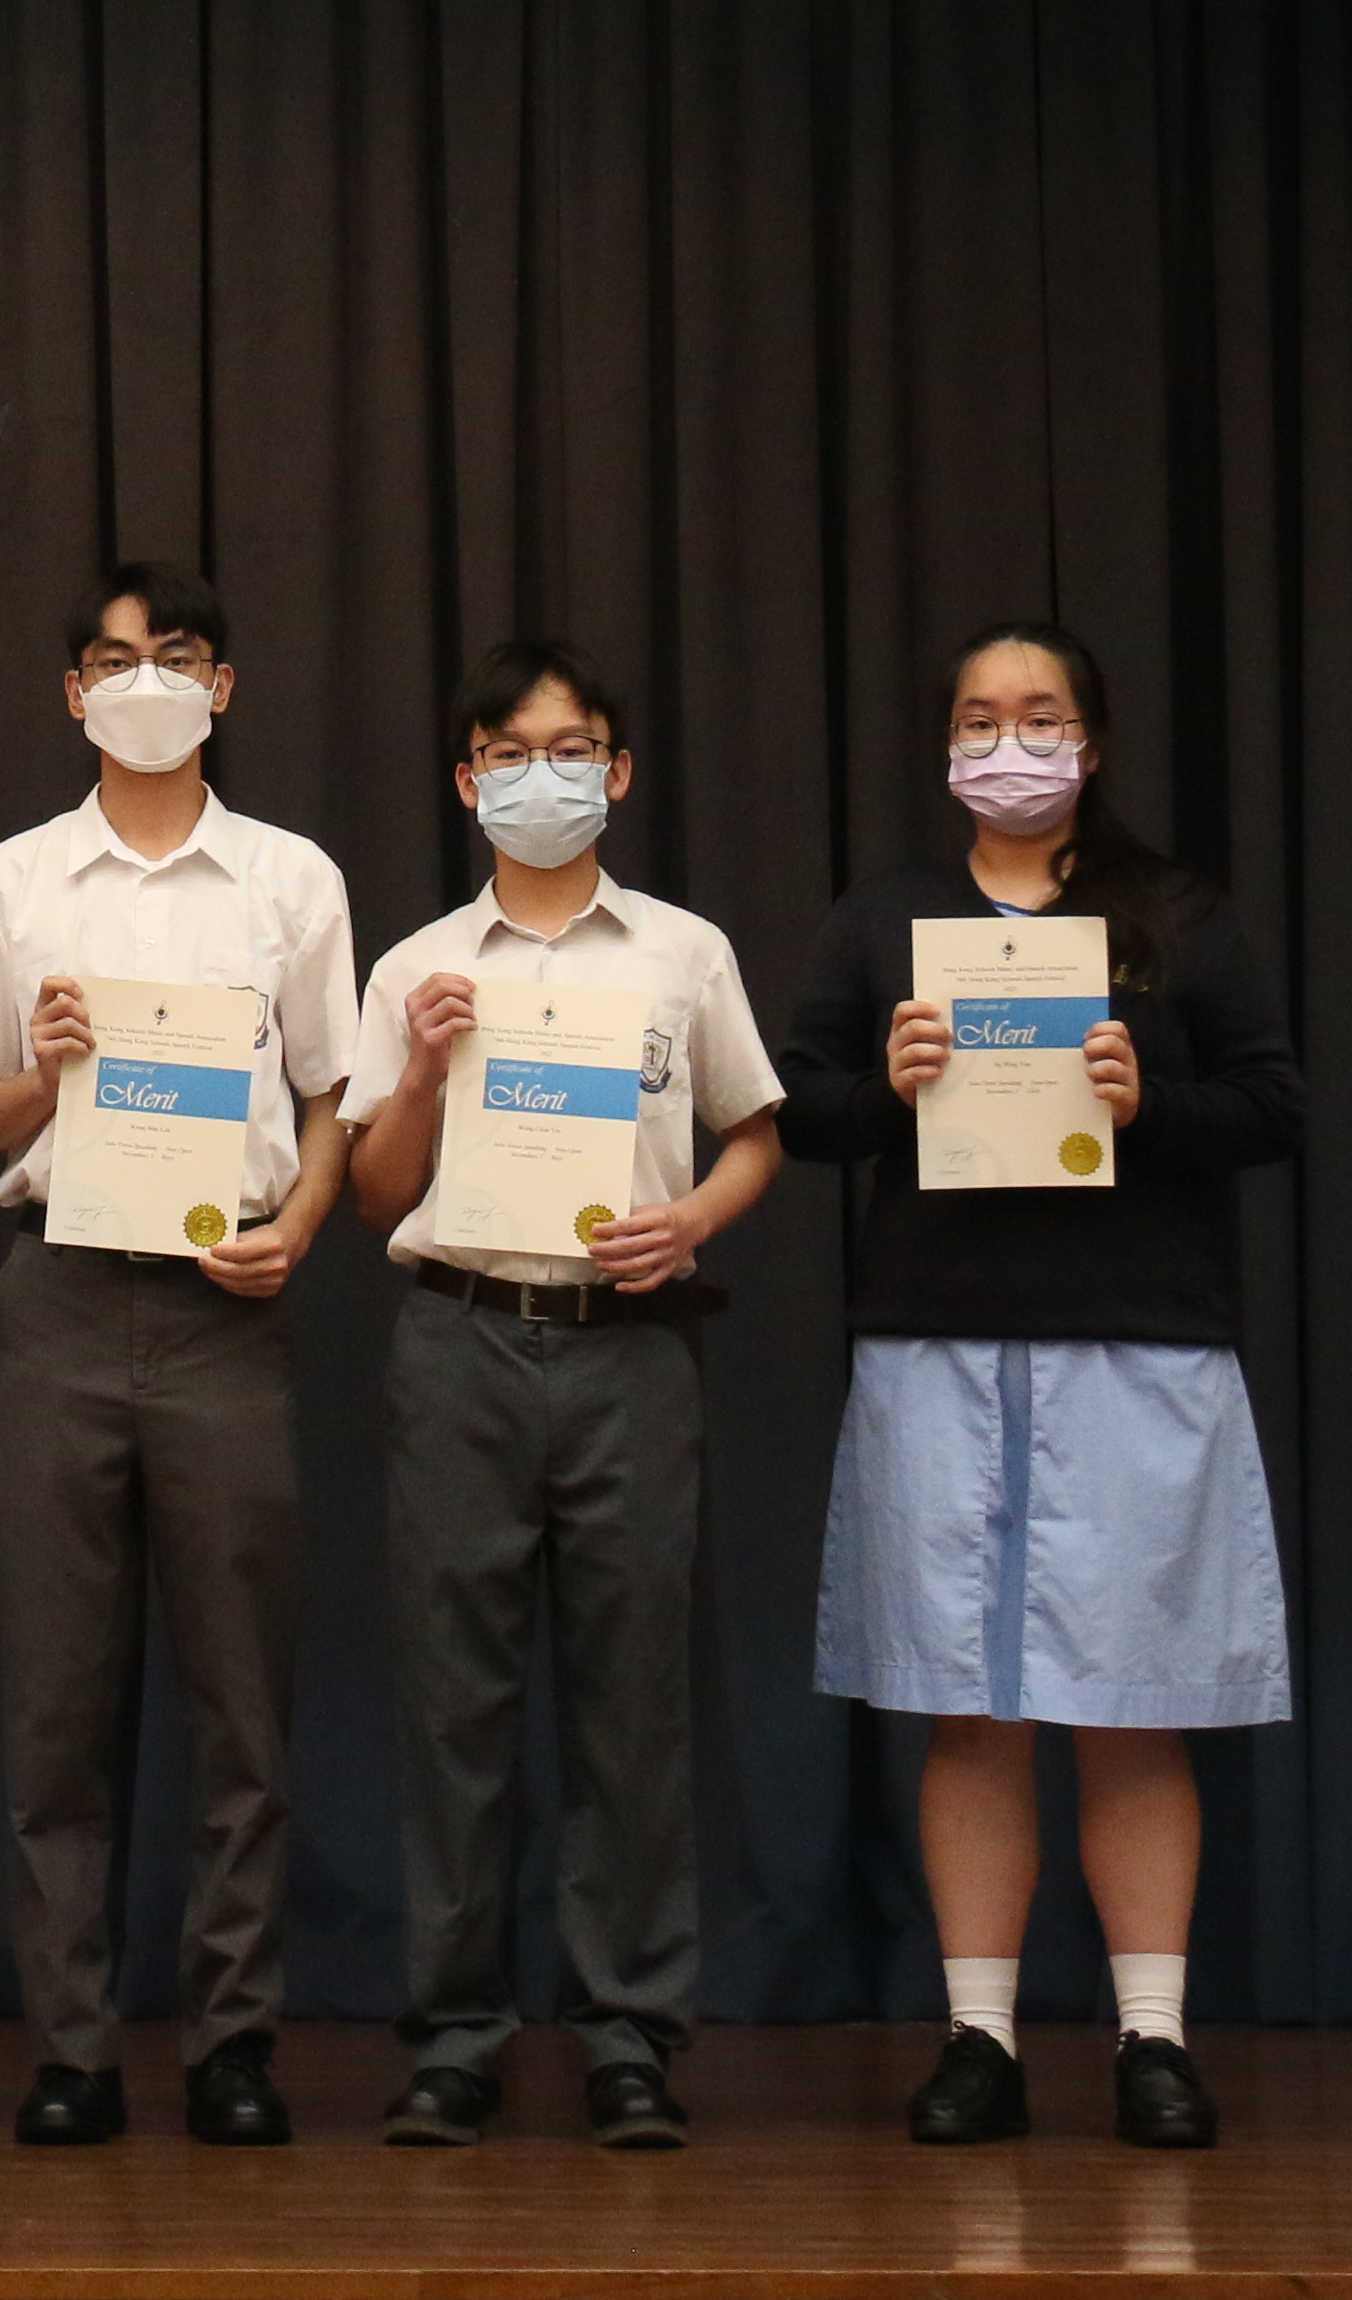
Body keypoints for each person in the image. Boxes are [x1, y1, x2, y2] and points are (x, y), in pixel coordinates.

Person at [768, 620, 1300, 2152]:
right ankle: (980, 2038)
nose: (1012, 742)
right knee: (970, 1711)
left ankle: (1153, 2040)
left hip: (1138, 1344)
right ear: (947, 744)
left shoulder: (1176, 914)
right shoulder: (889, 917)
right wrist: (891, 1089)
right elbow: (798, 1106)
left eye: (1042, 715)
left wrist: (1153, 1102)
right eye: (982, 717)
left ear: (1093, 739)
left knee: (1133, 1710)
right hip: (938, 1339)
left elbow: (1273, 1104)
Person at [0, 561, 358, 2148]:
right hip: (63, 1299)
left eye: (174, 654)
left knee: (244, 1706)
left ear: (221, 685)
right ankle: (73, 2050)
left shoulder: (290, 878)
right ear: (71, 693)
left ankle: (233, 2044)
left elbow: (333, 1097)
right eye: (111, 658)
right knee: (56, 1706)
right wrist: (43, 1073)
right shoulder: (11, 882)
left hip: (227, 1306)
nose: (143, 680)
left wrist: (303, 1226)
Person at [337, 642, 786, 2151]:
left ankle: (628, 2035)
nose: (547, 776)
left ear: (619, 770)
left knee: (632, 1706)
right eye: (514, 754)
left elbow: (756, 1133)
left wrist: (694, 1219)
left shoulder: (683, 952)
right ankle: (455, 2037)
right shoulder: (415, 966)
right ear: (469, 782)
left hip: (629, 1345)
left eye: (573, 748)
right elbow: (374, 1195)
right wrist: (419, 1072)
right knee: (453, 1705)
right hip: (460, 1338)